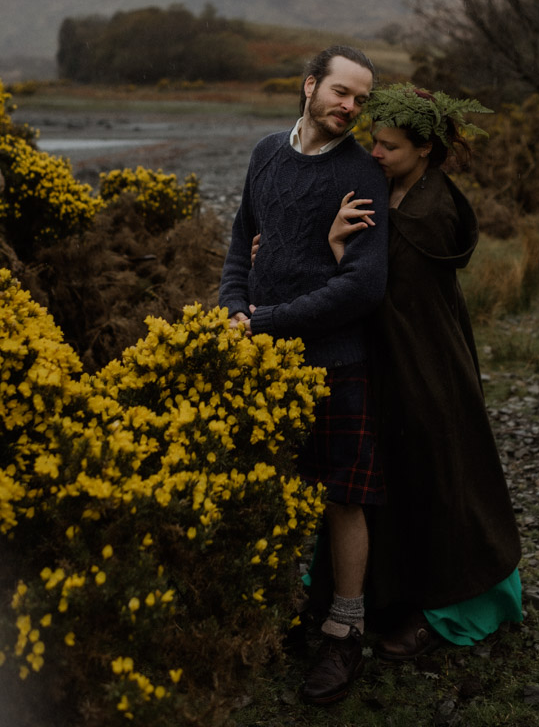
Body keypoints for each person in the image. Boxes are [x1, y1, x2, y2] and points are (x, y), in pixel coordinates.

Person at [218, 45, 389, 706]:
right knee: (271, 489)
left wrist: (265, 321)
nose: (349, 107)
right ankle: (283, 613)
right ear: (310, 85)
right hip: (262, 359)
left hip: (335, 364)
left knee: (343, 498)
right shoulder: (266, 153)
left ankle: (343, 633)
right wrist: (234, 309)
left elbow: (363, 286)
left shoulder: (360, 174)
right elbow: (242, 239)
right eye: (341, 92)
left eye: (360, 99)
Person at [327, 83, 522, 659]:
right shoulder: (396, 189)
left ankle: (446, 609)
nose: (375, 154)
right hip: (408, 361)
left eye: (388, 146)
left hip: (425, 370)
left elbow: (377, 299)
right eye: (373, 141)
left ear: (426, 151)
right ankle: (385, 595)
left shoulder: (429, 215)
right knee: (403, 476)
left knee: (436, 477)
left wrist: (341, 258)